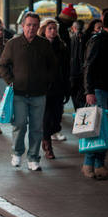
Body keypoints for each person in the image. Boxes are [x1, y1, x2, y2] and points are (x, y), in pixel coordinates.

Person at [0, 12, 57, 171]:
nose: (31, 28)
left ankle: (33, 158)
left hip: (39, 94)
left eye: (35, 25)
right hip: (18, 94)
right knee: (20, 124)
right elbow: (2, 65)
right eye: (29, 24)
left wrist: (46, 81)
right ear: (23, 26)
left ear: (39, 27)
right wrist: (11, 82)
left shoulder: (44, 44)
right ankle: (17, 153)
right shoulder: (13, 44)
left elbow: (53, 65)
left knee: (37, 128)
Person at [81, 10, 108, 179]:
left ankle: (98, 165)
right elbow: (88, 67)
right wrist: (89, 91)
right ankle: (89, 163)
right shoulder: (97, 40)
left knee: (106, 129)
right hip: (98, 91)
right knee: (97, 128)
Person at [37, 18, 71, 159]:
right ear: (44, 31)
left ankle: (47, 138)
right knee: (46, 116)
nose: (52, 31)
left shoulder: (62, 45)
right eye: (49, 29)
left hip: (58, 85)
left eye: (54, 29)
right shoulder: (38, 45)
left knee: (57, 116)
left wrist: (67, 87)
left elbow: (66, 67)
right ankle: (48, 145)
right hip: (43, 86)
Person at [70, 19, 86, 110]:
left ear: (74, 28)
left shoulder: (72, 39)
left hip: (73, 72)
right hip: (83, 73)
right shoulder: (87, 38)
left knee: (75, 96)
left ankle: (77, 114)